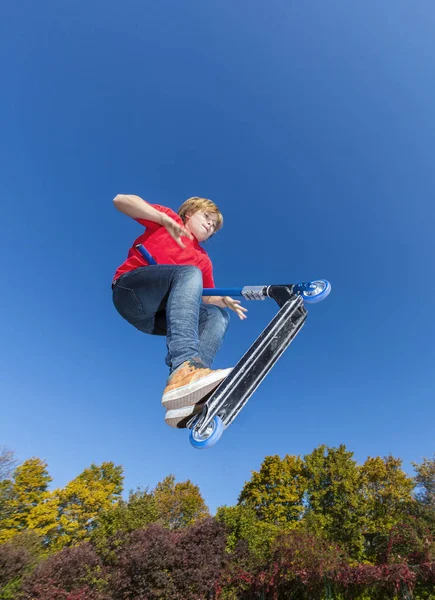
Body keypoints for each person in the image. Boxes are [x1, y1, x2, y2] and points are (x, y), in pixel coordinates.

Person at [112, 194, 247, 428]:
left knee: (217, 316)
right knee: (189, 273)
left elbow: (205, 296)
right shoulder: (167, 218)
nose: (210, 225)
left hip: (156, 318)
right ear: (189, 212)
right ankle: (184, 366)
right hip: (132, 291)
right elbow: (120, 201)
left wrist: (222, 300)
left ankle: (187, 389)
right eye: (207, 217)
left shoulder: (203, 260)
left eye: (214, 226)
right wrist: (160, 219)